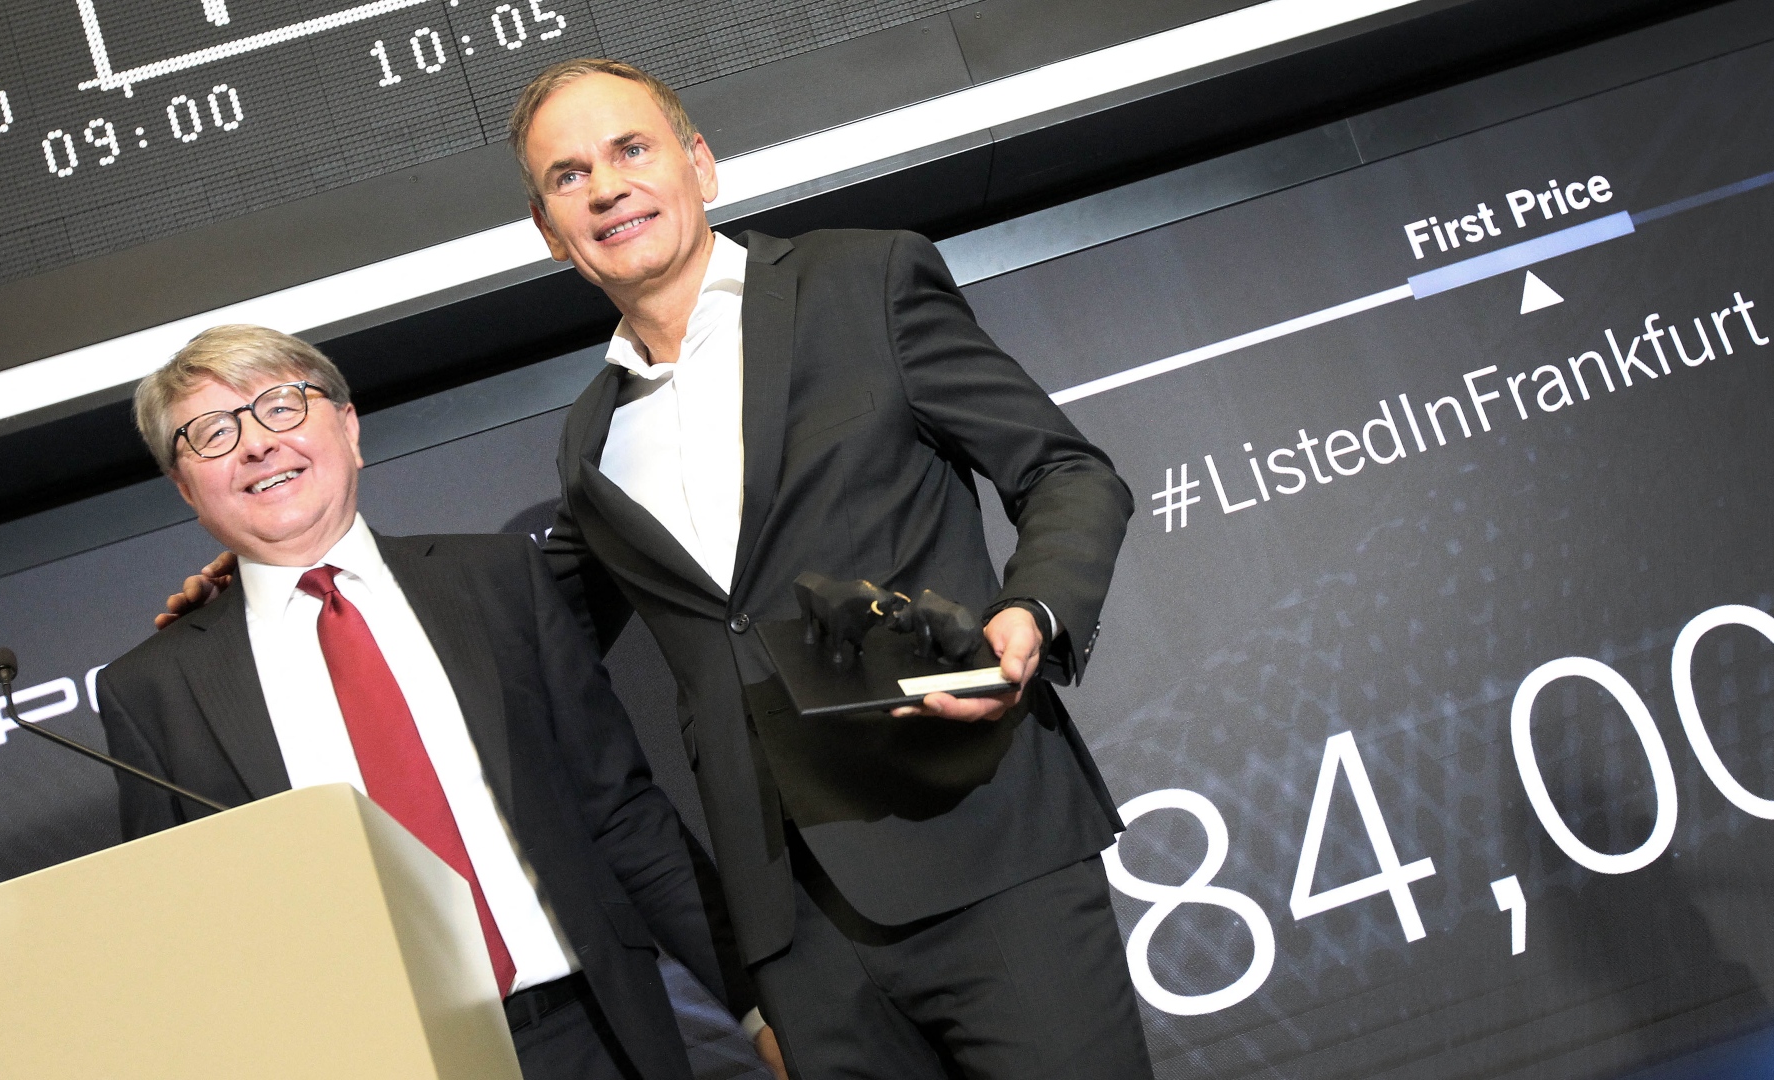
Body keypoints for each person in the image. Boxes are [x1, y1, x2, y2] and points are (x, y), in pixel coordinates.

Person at [165, 58, 1150, 1077]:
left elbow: (1067, 472)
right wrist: (267, 582)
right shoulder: (589, 443)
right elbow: (511, 631)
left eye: (630, 150)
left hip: (984, 850)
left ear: (700, 167)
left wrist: (1029, 614)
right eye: (567, 175)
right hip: (795, 928)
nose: (605, 185)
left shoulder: (866, 282)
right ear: (550, 233)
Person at [105, 325, 780, 1080]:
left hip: (589, 1037)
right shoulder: (154, 692)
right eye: (211, 433)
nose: (258, 443)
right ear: (185, 486)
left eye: (281, 406)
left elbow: (623, 816)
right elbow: (191, 947)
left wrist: (755, 1007)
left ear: (350, 428)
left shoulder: (496, 583)